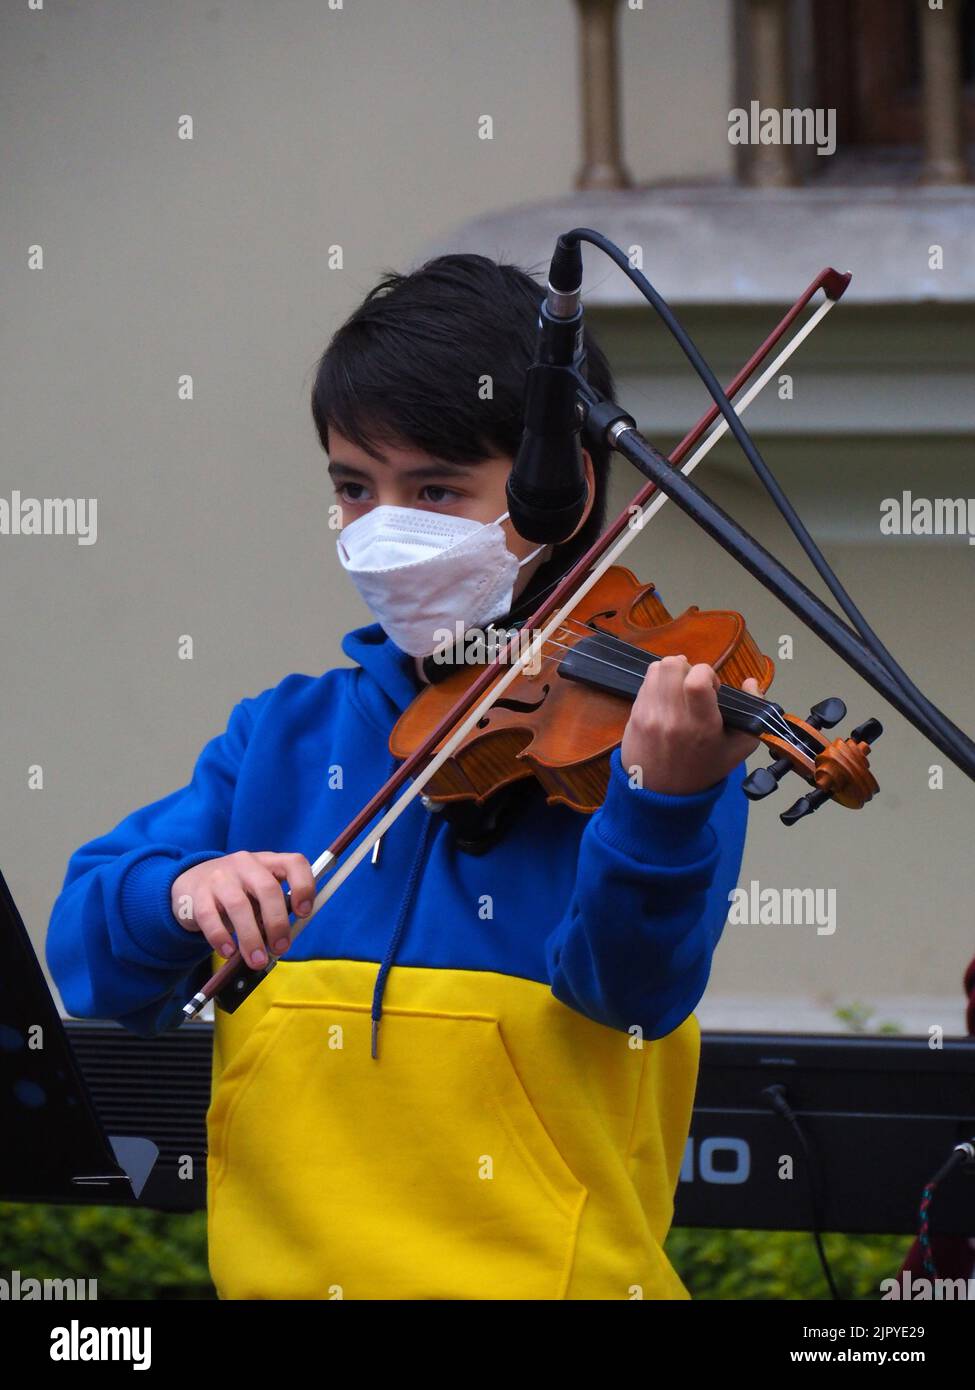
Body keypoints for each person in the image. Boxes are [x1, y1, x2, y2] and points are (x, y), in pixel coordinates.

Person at [46, 253, 760, 1300]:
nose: (382, 530)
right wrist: (178, 891)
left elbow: (632, 993)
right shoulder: (283, 735)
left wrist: (660, 806)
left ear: (560, 490)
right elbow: (90, 960)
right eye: (352, 486)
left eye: (433, 488)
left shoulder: (648, 748)